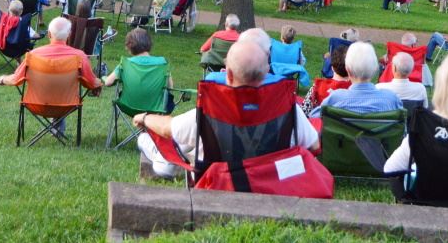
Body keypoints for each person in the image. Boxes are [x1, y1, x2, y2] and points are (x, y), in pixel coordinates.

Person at [134, 40, 320, 178]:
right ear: (266, 74)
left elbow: (168, 129)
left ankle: (148, 145)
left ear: (228, 74)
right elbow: (314, 146)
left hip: (218, 184)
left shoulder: (213, 109)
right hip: (271, 185)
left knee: (178, 140)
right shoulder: (288, 110)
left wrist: (145, 118)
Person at [0, 16, 102, 95]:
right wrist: (99, 83)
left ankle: (54, 124)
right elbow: (91, 82)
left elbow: (16, 79)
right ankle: (55, 124)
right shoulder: (79, 56)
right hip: (68, 104)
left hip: (37, 104)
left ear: (49, 34)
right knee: (60, 103)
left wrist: (3, 79)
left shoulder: (33, 55)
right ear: (69, 35)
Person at [310, 42, 401, 117]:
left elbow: (312, 117)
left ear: (348, 71)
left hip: (343, 138)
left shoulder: (335, 99)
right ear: (374, 70)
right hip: (378, 139)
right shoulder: (391, 99)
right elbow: (401, 130)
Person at [102, 28, 170, 89]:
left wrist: (104, 77)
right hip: (157, 103)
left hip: (128, 103)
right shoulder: (162, 62)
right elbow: (170, 86)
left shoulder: (125, 63)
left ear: (129, 46)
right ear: (149, 43)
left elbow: (108, 82)